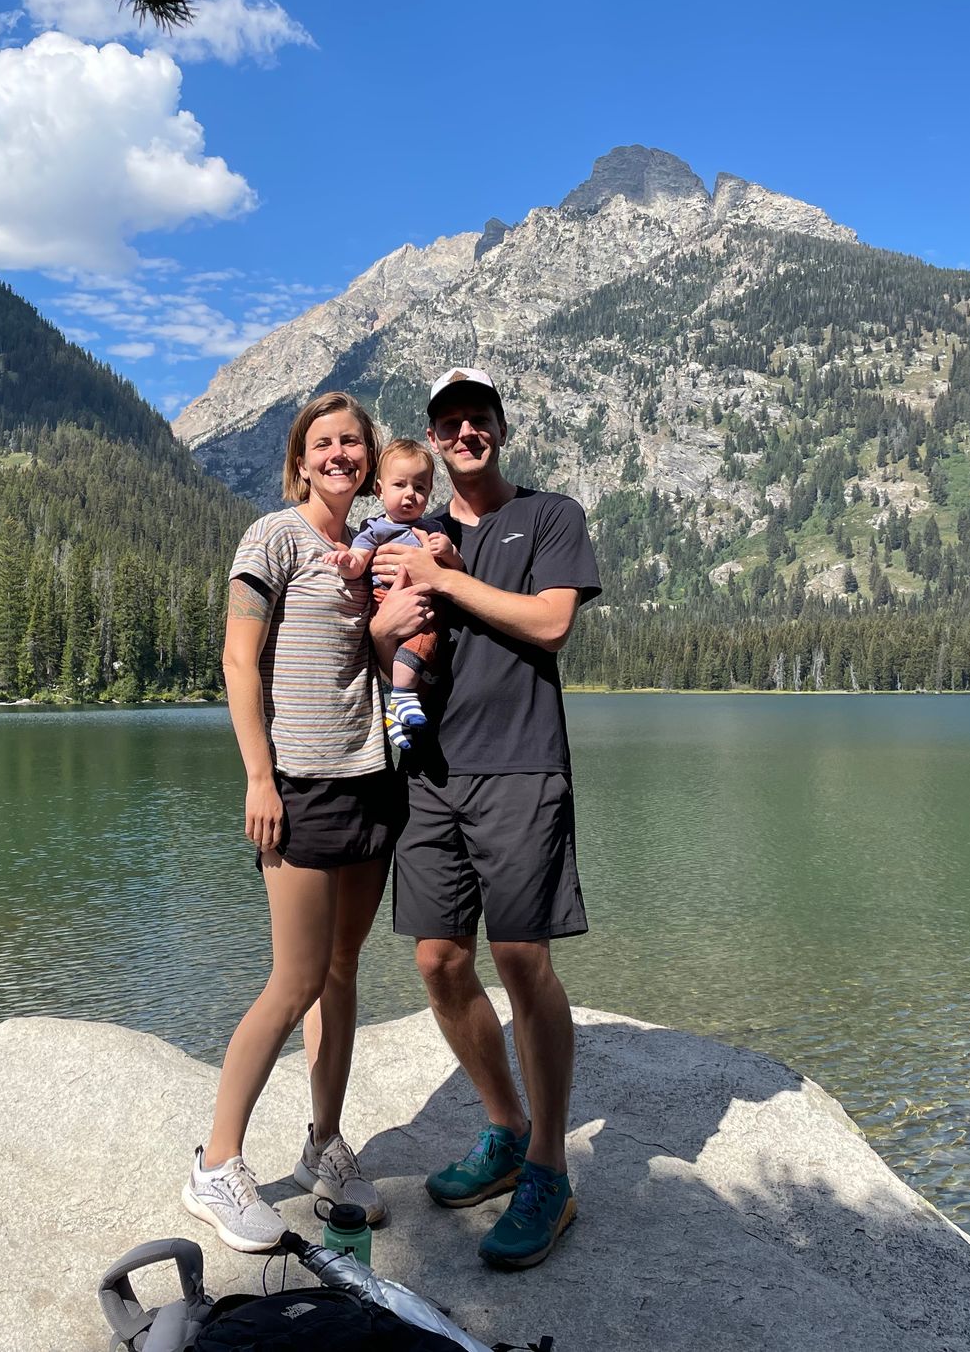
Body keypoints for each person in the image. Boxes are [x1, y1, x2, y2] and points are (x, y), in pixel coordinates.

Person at [370, 367, 601, 1272]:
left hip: (520, 767)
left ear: (500, 429)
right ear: (432, 440)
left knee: (521, 957)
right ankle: (506, 1129)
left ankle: (550, 1170)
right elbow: (382, 634)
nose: (465, 432)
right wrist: (393, 617)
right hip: (428, 770)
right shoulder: (413, 531)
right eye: (449, 422)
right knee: (437, 957)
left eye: (479, 418)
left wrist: (444, 581)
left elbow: (548, 626)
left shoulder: (548, 518)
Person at [183, 391, 413, 1254]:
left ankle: (325, 1144)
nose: (341, 454)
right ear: (300, 458)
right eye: (324, 443)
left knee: (343, 971)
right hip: (300, 786)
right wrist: (258, 776)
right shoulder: (273, 538)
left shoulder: (367, 548)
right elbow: (239, 659)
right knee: (293, 982)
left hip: (369, 783)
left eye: (353, 442)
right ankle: (216, 1163)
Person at [321, 438, 448, 752]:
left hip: (423, 605)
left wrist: (447, 551)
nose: (410, 494)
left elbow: (454, 570)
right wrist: (346, 561)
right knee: (417, 645)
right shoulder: (375, 530)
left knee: (426, 643)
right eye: (400, 485)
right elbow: (358, 563)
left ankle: (399, 708)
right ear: (379, 490)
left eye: (420, 488)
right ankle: (402, 699)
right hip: (383, 601)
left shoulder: (433, 529)